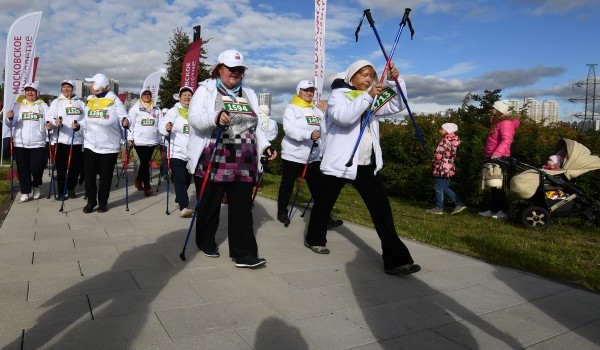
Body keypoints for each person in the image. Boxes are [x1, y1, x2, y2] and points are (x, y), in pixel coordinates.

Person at [304, 59, 421, 276]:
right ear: (352, 76)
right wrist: (368, 96)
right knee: (324, 204)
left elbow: (398, 104)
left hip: (366, 165)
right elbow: (344, 117)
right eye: (363, 74)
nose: (367, 79)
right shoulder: (340, 95)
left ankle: (396, 260)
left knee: (382, 211)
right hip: (340, 164)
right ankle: (314, 238)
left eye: (371, 75)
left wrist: (396, 81)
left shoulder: (373, 97)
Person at [187, 49, 276, 269]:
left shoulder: (249, 94)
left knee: (242, 206)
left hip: (244, 157)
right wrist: (215, 117)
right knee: (209, 203)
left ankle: (244, 253)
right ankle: (206, 241)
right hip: (214, 154)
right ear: (220, 69)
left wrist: (265, 146)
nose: (235, 73)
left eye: (239, 70)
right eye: (231, 69)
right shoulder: (205, 90)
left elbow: (257, 127)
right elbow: (194, 119)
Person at [276, 79, 343, 229]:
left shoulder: (315, 109)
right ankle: (282, 212)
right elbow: (288, 129)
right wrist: (308, 134)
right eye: (306, 90)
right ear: (298, 91)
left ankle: (324, 217)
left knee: (318, 189)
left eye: (311, 90)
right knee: (287, 185)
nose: (309, 93)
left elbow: (324, 127)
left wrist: (325, 111)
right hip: (293, 155)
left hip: (312, 157)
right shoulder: (292, 108)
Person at [79, 73, 130, 213]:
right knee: (89, 174)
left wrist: (126, 122)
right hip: (90, 144)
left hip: (109, 146)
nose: (90, 86)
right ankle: (91, 201)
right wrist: (78, 125)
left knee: (105, 176)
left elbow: (124, 117)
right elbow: (86, 120)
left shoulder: (114, 101)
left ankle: (103, 202)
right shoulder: (90, 100)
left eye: (92, 84)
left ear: (99, 86)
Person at [4, 82, 50, 202]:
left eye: (32, 90)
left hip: (38, 142)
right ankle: (25, 191)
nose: (30, 92)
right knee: (22, 168)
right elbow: (11, 123)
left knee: (37, 167)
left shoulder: (43, 106)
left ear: (37, 93)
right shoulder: (18, 105)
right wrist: (9, 118)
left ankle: (36, 185)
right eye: (27, 90)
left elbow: (49, 120)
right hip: (21, 142)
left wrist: (50, 125)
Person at [478, 100, 520, 220]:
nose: (492, 110)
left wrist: (497, 153)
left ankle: (500, 211)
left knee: (498, 186)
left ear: (499, 111)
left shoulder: (505, 123)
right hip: (493, 156)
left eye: (494, 108)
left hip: (499, 157)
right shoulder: (498, 122)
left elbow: (507, 140)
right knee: (493, 185)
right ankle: (494, 210)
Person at [46, 79, 86, 199]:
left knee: (75, 168)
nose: (66, 89)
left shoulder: (80, 103)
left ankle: (71, 187)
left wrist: (79, 125)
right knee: (61, 168)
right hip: (61, 140)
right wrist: (55, 121)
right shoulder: (56, 102)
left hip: (76, 140)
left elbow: (86, 118)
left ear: (73, 89)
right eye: (64, 87)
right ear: (61, 89)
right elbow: (49, 116)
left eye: (69, 87)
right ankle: (61, 191)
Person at [159, 86, 194, 218]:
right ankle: (184, 207)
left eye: (189, 95)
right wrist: (166, 127)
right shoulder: (173, 111)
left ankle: (180, 198)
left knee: (187, 179)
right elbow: (162, 126)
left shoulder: (195, 111)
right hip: (176, 151)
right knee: (180, 180)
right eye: (184, 95)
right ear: (179, 97)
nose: (187, 97)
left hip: (191, 153)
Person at [426, 122, 466, 215]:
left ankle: (439, 207)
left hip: (442, 167)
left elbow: (439, 156)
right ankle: (458, 203)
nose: (440, 130)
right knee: (444, 187)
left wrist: (433, 160)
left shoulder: (444, 141)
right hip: (449, 167)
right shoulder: (453, 141)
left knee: (438, 187)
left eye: (442, 129)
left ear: (447, 131)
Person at [128, 88, 162, 196]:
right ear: (141, 96)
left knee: (145, 163)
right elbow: (131, 125)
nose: (147, 95)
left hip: (152, 140)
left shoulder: (156, 109)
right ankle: (147, 186)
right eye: (144, 94)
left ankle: (138, 180)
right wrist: (130, 138)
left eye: (148, 94)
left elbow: (160, 125)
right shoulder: (135, 109)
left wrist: (160, 141)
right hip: (139, 141)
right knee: (144, 162)